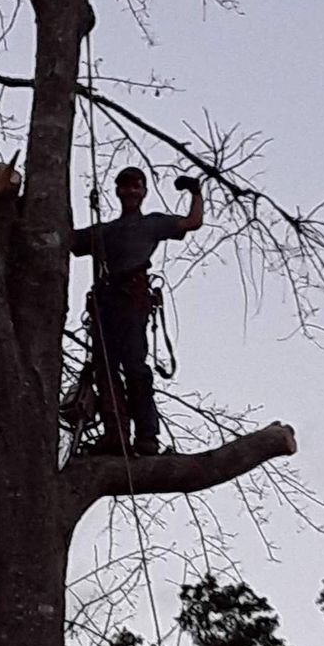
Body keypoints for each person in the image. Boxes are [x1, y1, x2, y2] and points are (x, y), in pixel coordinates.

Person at [71, 166, 203, 456]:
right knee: (105, 369)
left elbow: (193, 222)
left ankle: (146, 437)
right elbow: (69, 240)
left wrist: (195, 191)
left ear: (143, 192)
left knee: (134, 367)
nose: (130, 191)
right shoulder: (103, 231)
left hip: (132, 299)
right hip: (106, 304)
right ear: (118, 191)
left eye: (136, 187)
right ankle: (115, 434)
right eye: (125, 186)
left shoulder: (152, 224)